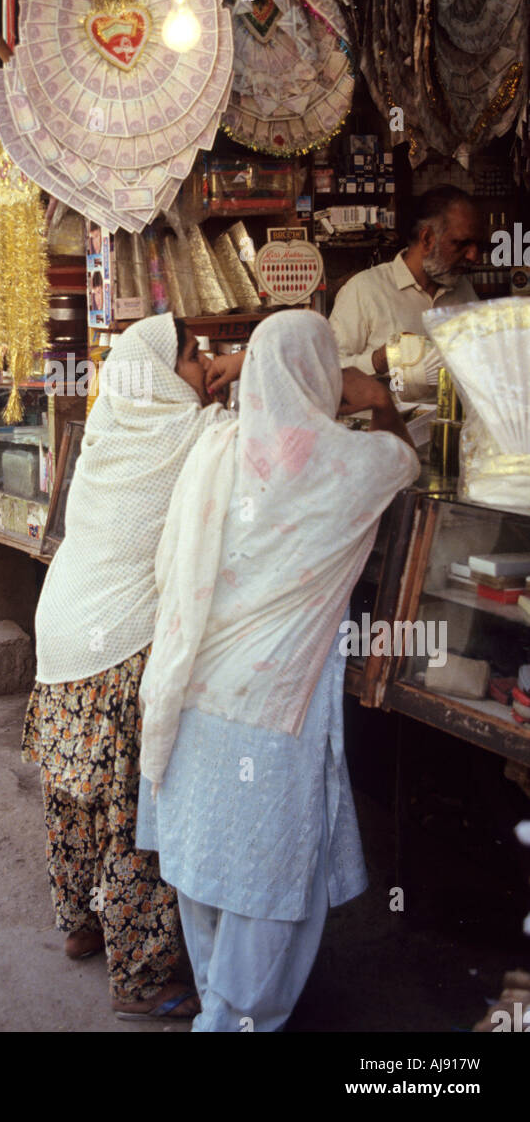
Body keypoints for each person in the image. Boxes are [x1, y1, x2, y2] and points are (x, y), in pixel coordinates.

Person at [136, 311, 420, 1032]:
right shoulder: (350, 464)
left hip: (194, 692)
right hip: (268, 714)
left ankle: (222, 1010)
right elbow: (405, 461)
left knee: (204, 870)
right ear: (324, 373)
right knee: (265, 881)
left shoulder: (215, 447)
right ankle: (236, 1021)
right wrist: (377, 397)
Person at [22, 313, 243, 1021]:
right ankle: (140, 979)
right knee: (132, 814)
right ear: (159, 370)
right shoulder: (190, 434)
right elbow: (259, 426)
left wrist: (212, 369)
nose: (203, 368)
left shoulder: (114, 423)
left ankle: (81, 928)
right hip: (116, 643)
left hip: (61, 629)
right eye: (192, 356)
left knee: (70, 796)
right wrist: (243, 365)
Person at [329, 186, 483, 375]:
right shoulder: (364, 290)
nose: (474, 256)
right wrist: (375, 361)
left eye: (477, 245)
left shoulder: (464, 290)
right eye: (461, 244)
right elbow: (329, 369)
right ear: (427, 239)